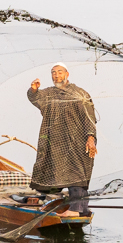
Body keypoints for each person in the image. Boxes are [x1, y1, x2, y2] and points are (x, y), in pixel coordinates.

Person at [27, 63, 97, 217]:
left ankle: (75, 210)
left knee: (78, 174)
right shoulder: (48, 94)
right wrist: (33, 90)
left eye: (59, 72)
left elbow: (89, 118)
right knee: (60, 173)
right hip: (57, 143)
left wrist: (90, 137)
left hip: (78, 141)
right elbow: (35, 98)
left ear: (67, 74)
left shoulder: (79, 94)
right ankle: (80, 209)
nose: (56, 75)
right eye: (53, 73)